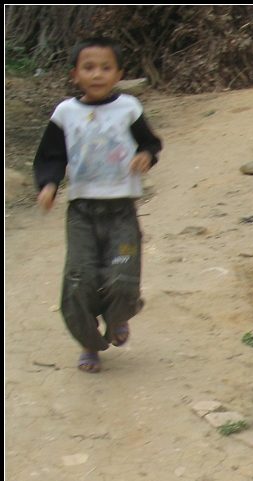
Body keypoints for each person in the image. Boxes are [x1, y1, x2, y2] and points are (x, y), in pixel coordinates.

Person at [33, 36, 163, 373]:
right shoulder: (65, 113)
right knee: (80, 277)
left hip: (121, 212)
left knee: (122, 274)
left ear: (118, 74)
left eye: (106, 68)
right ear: (75, 74)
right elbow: (51, 155)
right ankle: (89, 343)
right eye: (89, 67)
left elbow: (150, 143)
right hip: (82, 214)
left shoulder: (129, 107)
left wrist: (146, 155)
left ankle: (118, 318)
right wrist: (48, 184)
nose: (97, 74)